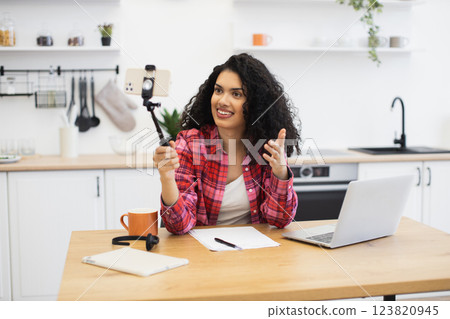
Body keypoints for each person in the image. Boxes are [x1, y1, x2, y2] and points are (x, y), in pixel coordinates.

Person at [153, 53, 301, 235]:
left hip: (256, 254)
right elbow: (179, 226)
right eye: (218, 91)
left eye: (236, 94)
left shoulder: (267, 147)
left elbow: (280, 219)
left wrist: (280, 172)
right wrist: (167, 179)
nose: (222, 101)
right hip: (204, 253)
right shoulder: (191, 143)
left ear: (256, 104)